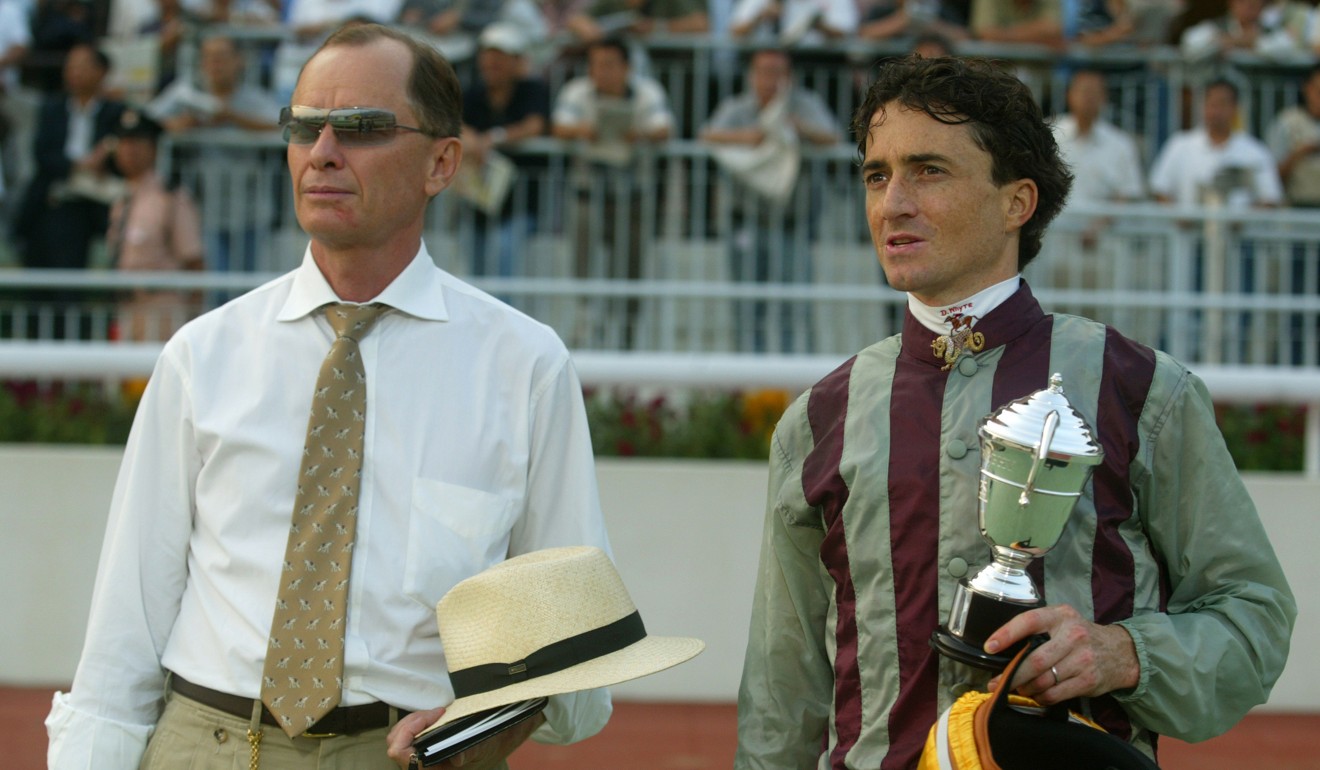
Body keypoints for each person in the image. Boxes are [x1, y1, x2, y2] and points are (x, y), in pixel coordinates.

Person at [46, 22, 612, 770]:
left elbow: (573, 659)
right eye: (305, 127)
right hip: (204, 743)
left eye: (364, 128)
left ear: (442, 162)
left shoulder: (524, 365)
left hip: (410, 755)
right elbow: (127, 623)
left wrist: (482, 720)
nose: (324, 152)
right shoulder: (202, 356)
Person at [734, 55, 1296, 769]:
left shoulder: (1142, 389)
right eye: (878, 175)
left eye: (928, 171)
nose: (892, 203)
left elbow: (1253, 618)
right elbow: (781, 696)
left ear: (1016, 203)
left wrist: (1122, 653)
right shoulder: (818, 419)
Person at [701, 48, 840, 353]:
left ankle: (791, 382)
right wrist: (752, 137)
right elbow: (707, 135)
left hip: (795, 223)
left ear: (789, 77)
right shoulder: (737, 108)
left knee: (794, 306)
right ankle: (752, 383)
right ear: (751, 76)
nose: (771, 80)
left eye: (778, 72)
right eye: (764, 71)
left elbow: (833, 138)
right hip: (745, 220)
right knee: (748, 308)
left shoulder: (804, 104)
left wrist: (797, 129)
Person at [551, 37, 674, 348]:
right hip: (587, 193)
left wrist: (640, 133)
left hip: (632, 197)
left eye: (609, 65)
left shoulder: (647, 92)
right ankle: (585, 320)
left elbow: (664, 128)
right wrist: (583, 129)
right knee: (582, 263)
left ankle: (627, 337)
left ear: (627, 68)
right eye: (595, 65)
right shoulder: (576, 91)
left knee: (630, 269)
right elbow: (559, 126)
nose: (601, 72)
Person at [11, 43, 124, 338]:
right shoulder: (52, 107)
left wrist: (106, 152)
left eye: (82, 65)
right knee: (37, 286)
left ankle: (69, 354)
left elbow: (125, 152)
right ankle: (33, 369)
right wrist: (79, 165)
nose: (73, 72)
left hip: (87, 209)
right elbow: (43, 154)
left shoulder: (115, 111)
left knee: (69, 290)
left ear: (102, 72)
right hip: (47, 203)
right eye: (70, 66)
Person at [457, 22, 550, 281]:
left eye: (499, 57)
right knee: (474, 276)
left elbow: (535, 125)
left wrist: (494, 138)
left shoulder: (532, 90)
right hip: (477, 200)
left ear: (517, 61)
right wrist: (472, 138)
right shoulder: (474, 93)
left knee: (504, 262)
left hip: (520, 202)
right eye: (487, 56)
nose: (491, 62)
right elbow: (454, 122)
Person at [106, 108, 204, 342]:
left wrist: (193, 323)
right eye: (123, 143)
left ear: (153, 149)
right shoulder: (121, 199)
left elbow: (195, 263)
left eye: (137, 143)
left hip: (162, 309)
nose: (129, 150)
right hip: (126, 307)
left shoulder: (171, 198)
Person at [1148, 77, 1283, 209]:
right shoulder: (1180, 145)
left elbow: (1270, 198)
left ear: (1235, 108)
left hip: (1238, 231)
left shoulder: (1255, 151)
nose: (1216, 111)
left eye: (1222, 104)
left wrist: (1243, 223)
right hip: (1186, 230)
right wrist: (1180, 221)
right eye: (1211, 104)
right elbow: (1160, 191)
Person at [1266, 62, 1320, 208]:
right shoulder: (1287, 122)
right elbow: (1270, 177)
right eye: (1318, 91)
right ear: (1307, 89)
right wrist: (1300, 153)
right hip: (1297, 209)